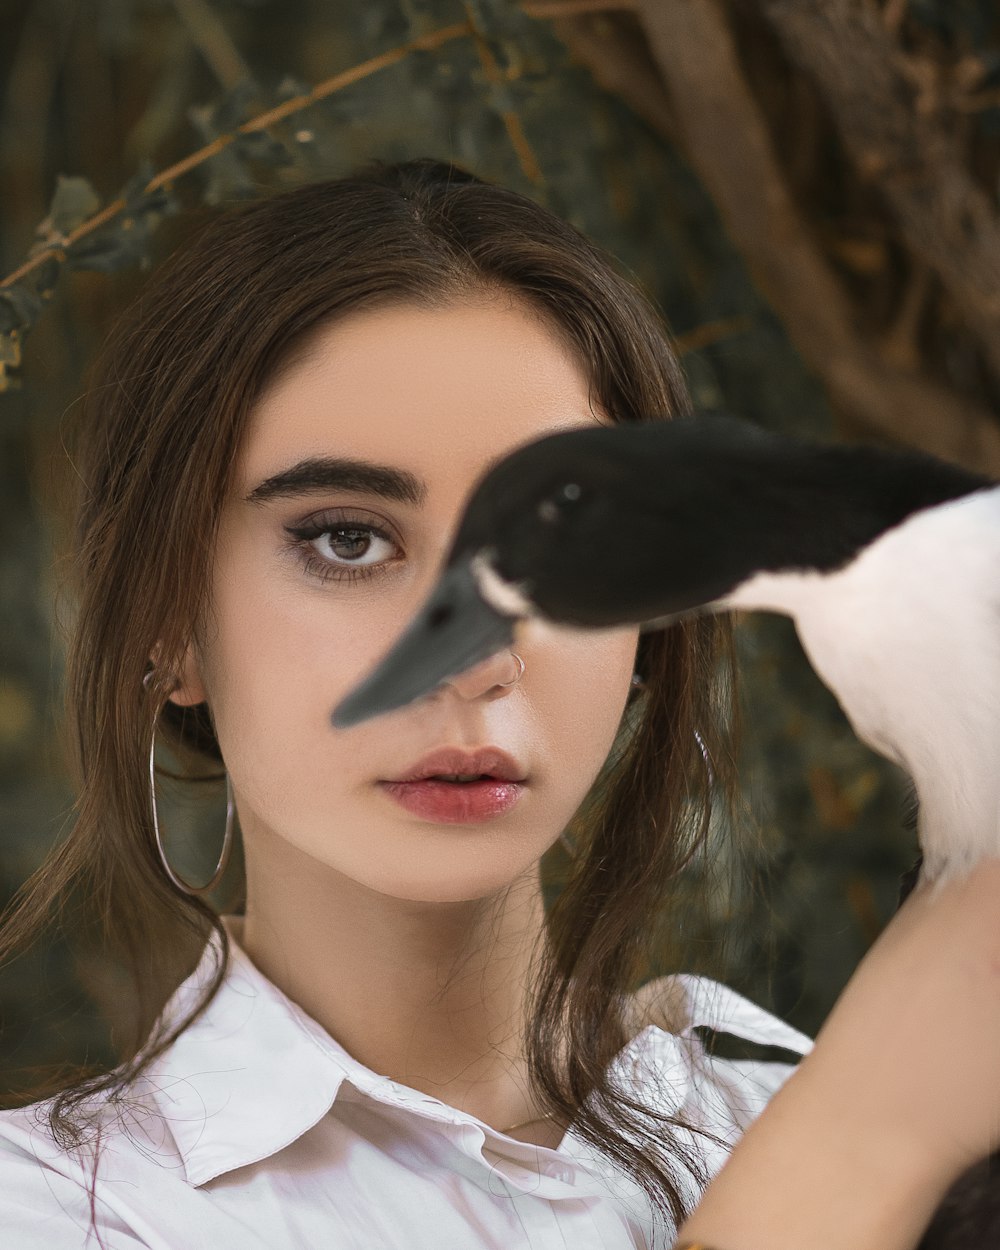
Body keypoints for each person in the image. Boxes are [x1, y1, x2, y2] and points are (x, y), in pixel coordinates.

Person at [0, 157, 997, 1250]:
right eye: (348, 538)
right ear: (165, 621)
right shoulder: (62, 1210)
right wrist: (862, 1146)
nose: (472, 659)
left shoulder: (828, 1109)